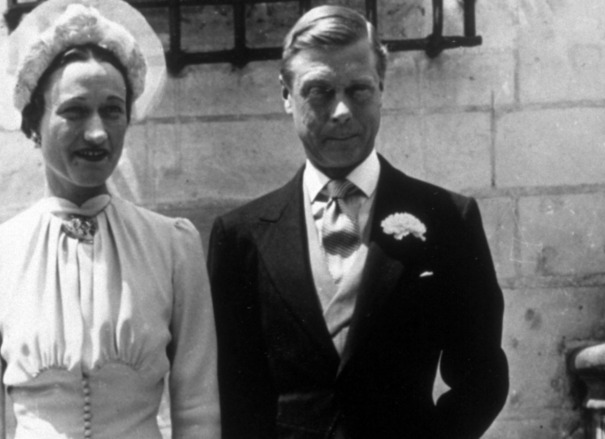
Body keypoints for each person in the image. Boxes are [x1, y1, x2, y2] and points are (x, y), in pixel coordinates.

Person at [207, 5, 509, 439]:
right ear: (286, 94)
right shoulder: (240, 237)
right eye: (320, 91)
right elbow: (232, 391)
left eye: (359, 89)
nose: (343, 110)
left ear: (382, 87)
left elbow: (482, 376)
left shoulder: (448, 219)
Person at [0, 1, 220, 438]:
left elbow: (198, 409)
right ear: (33, 123)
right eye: (74, 111)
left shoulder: (173, 246)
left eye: (112, 110)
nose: (97, 133)